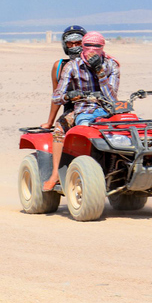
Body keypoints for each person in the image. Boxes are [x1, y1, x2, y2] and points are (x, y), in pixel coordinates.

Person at [42, 32, 120, 191]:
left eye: (97, 46)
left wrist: (100, 72)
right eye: (89, 45)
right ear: (83, 47)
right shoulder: (71, 66)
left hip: (108, 110)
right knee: (59, 129)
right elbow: (56, 96)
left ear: (102, 47)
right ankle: (55, 173)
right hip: (81, 109)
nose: (93, 49)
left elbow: (112, 98)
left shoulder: (112, 65)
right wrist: (68, 96)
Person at [40, 25, 86, 129]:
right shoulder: (60, 66)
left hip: (95, 109)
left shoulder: (95, 64)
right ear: (65, 46)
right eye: (70, 44)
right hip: (71, 112)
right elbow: (56, 95)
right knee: (59, 131)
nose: (74, 47)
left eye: (78, 43)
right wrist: (49, 122)